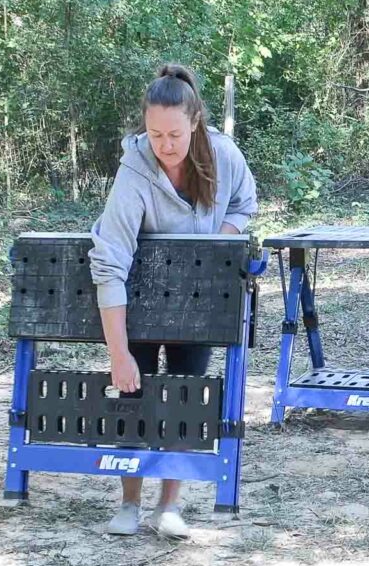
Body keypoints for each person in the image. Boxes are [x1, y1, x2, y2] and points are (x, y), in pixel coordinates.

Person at [89, 64, 258, 539]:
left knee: (185, 397)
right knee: (133, 399)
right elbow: (109, 261)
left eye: (175, 134)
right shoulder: (133, 170)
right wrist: (118, 354)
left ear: (195, 121)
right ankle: (129, 503)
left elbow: (245, 203)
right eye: (155, 134)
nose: (165, 145)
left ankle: (169, 506)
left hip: (198, 303)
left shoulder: (224, 155)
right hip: (141, 303)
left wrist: (216, 246)